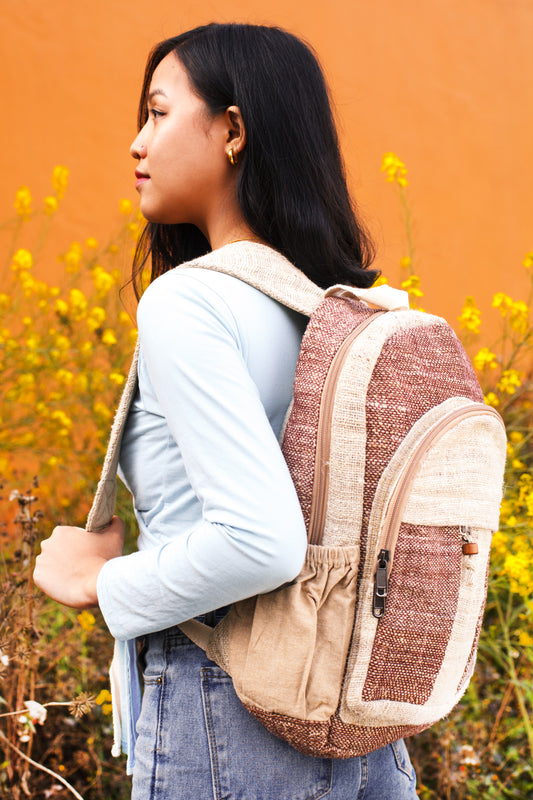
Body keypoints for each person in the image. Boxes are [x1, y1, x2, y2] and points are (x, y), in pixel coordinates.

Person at [34, 23, 419, 799]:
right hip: (355, 716)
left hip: (230, 704)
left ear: (233, 131)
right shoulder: (338, 310)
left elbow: (261, 542)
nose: (136, 144)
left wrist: (102, 585)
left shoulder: (192, 301)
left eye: (157, 112)